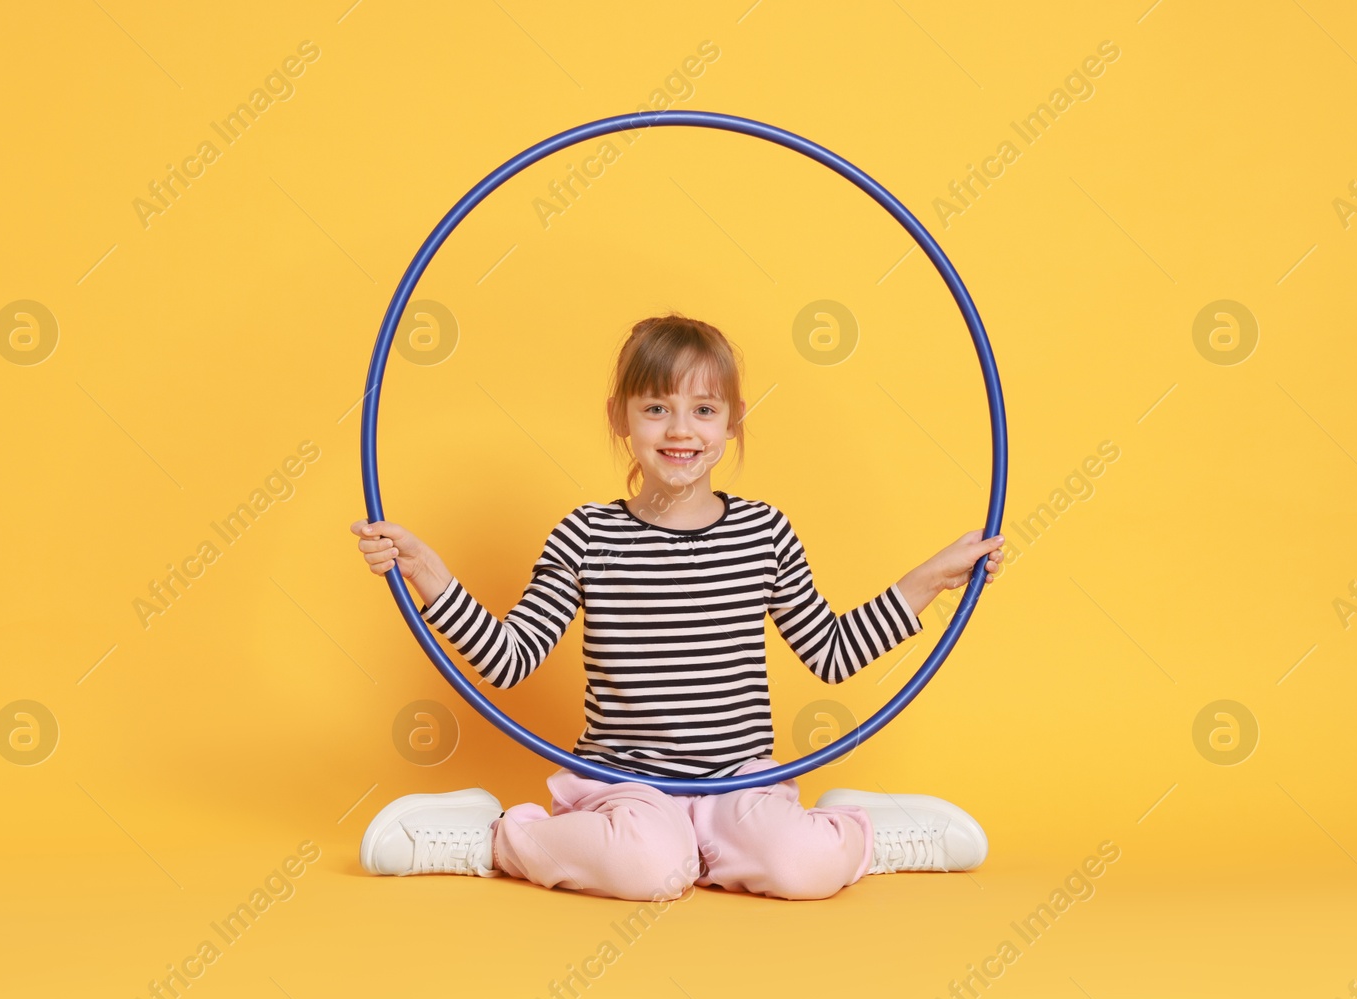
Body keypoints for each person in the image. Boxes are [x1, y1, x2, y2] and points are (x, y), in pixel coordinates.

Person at [351, 313, 1002, 901]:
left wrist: (930, 581)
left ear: (733, 418)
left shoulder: (764, 533)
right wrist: (429, 576)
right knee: (651, 872)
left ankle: (863, 835)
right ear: (620, 416)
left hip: (738, 780)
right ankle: (492, 837)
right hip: (627, 781)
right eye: (657, 407)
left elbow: (830, 653)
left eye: (704, 409)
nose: (681, 430)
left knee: (801, 868)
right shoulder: (586, 536)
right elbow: (510, 660)